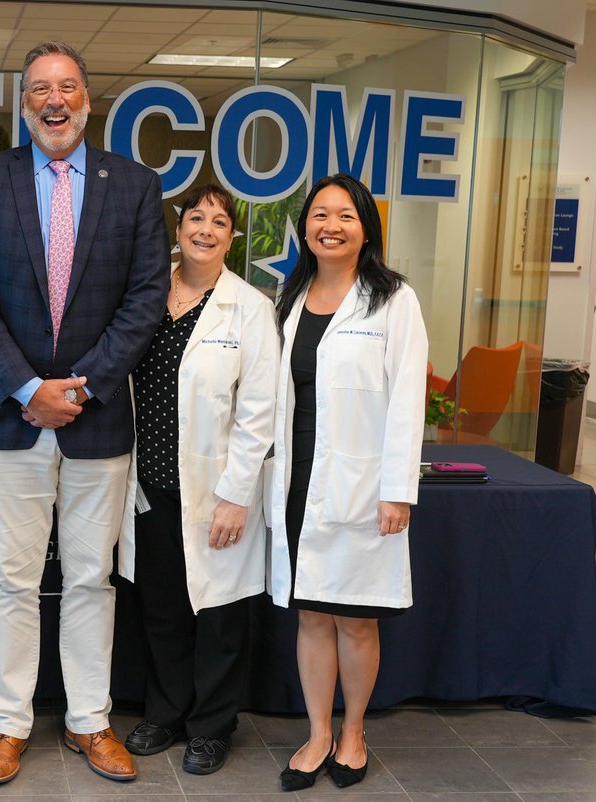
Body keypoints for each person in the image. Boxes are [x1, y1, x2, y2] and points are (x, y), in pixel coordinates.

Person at [0, 40, 170, 785]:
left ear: (88, 99)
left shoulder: (135, 186)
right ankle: (9, 723)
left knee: (89, 579)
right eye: (40, 88)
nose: (55, 100)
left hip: (96, 418)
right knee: (11, 580)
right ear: (23, 105)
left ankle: (88, 720)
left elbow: (145, 301)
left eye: (68, 86)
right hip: (10, 418)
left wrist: (80, 386)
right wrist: (26, 389)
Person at [267, 174, 427, 791]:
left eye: (346, 215)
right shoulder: (291, 294)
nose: (331, 225)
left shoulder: (392, 299)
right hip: (297, 478)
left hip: (363, 483)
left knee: (356, 618)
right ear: (305, 227)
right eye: (319, 214)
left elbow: (408, 399)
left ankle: (353, 730)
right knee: (311, 614)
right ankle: (316, 733)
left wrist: (397, 491)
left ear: (366, 228)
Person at [118, 184, 278, 775]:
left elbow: (260, 412)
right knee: (161, 607)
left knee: (218, 613)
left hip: (216, 488)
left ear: (232, 237)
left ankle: (211, 726)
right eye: (196, 218)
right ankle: (165, 712)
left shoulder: (250, 308)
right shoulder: (144, 292)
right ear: (177, 227)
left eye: (219, 222)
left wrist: (237, 496)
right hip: (150, 481)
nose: (205, 229)